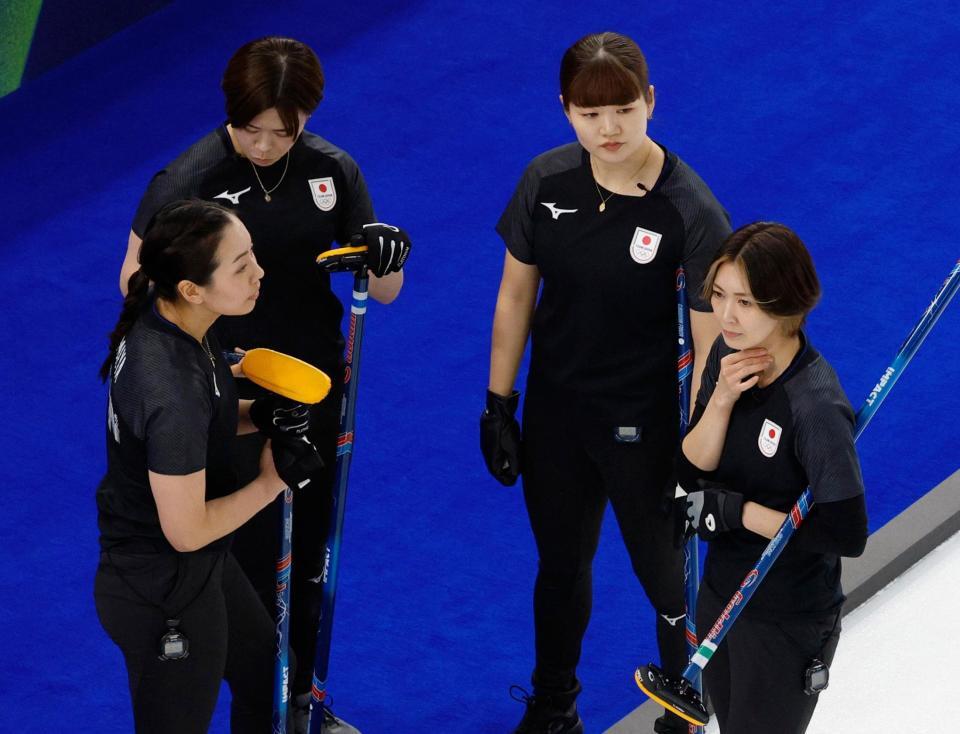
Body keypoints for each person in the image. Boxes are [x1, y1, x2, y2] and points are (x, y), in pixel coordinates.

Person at [119, 37, 411, 732]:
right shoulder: (189, 177)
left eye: (285, 130)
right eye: (251, 129)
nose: (266, 144)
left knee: (309, 551)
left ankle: (303, 702)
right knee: (242, 567)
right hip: (228, 396)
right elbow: (134, 282)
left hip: (311, 386)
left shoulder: (332, 172)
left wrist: (385, 256)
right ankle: (256, 709)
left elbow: (386, 289)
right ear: (232, 115)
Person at [483, 31, 731, 734]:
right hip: (558, 416)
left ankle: (680, 715)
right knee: (559, 566)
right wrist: (499, 402)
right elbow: (514, 297)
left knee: (667, 583)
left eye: (623, 108)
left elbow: (712, 344)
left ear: (650, 101)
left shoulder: (689, 209)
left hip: (644, 426)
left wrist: (697, 450)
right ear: (566, 111)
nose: (610, 128)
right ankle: (554, 706)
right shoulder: (545, 182)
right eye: (591, 114)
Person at [95, 199, 324, 733]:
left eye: (252, 256)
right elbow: (186, 530)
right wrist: (273, 483)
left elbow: (208, 413)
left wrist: (260, 414)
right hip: (162, 587)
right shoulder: (168, 386)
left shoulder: (180, 320)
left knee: (265, 675)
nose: (259, 272)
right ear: (193, 287)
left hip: (198, 567)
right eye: (240, 266)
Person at [677, 222, 868, 733]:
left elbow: (845, 534)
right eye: (718, 296)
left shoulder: (816, 406)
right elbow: (691, 468)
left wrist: (738, 512)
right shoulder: (726, 353)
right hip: (723, 591)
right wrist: (720, 399)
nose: (725, 315)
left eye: (745, 302)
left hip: (788, 616)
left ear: (784, 304)